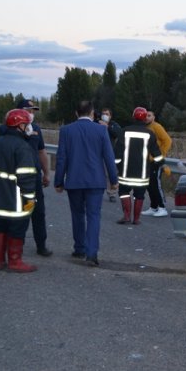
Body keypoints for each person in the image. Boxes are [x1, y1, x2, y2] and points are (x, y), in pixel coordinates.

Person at [54, 100, 119, 267]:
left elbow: (62, 158)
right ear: (92, 113)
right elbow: (108, 157)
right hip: (95, 181)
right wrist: (114, 180)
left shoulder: (66, 131)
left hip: (74, 180)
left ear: (76, 113)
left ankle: (79, 248)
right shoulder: (101, 130)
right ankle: (92, 254)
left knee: (77, 215)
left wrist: (59, 181)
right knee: (93, 216)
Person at [0, 109, 39, 273]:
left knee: (1, 225)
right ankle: (15, 261)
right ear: (20, 125)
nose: (29, 127)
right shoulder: (22, 147)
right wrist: (30, 200)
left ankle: (0, 261)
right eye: (26, 124)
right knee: (18, 228)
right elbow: (27, 177)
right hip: (17, 201)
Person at [114, 106, 164, 225]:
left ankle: (126, 216)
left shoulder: (124, 131)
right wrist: (158, 164)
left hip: (125, 172)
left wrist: (118, 167)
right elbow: (157, 154)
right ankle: (136, 219)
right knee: (139, 195)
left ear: (133, 116)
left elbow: (117, 153)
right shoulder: (150, 133)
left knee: (124, 193)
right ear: (144, 118)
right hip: (142, 174)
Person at [14, 99, 51, 256]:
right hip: (17, 180)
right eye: (29, 110)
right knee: (20, 213)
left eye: (33, 111)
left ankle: (41, 245)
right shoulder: (11, 129)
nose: (32, 113)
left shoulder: (36, 129)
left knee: (38, 212)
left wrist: (46, 173)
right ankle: (16, 245)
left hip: (35, 179)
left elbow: (41, 152)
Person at [142, 109, 172, 217]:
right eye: (145, 116)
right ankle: (153, 207)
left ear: (153, 117)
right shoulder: (145, 127)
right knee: (149, 185)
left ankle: (162, 207)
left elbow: (167, 140)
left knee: (156, 184)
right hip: (147, 161)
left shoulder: (157, 127)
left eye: (149, 115)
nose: (147, 117)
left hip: (156, 160)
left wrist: (161, 154)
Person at [97, 107, 122, 203]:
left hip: (110, 153)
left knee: (111, 173)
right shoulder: (96, 123)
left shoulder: (113, 125)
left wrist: (107, 126)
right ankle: (97, 191)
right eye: (103, 113)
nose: (105, 115)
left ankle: (112, 193)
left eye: (107, 114)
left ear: (110, 116)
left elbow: (119, 134)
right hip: (97, 153)